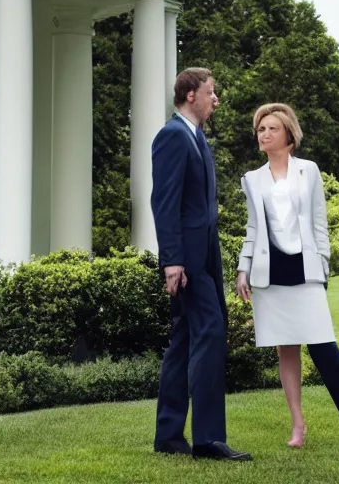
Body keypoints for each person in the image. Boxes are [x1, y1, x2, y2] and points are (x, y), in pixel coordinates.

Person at [235, 103, 339, 455]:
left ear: (288, 134)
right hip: (269, 274)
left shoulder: (308, 171)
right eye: (260, 129)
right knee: (286, 348)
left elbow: (318, 223)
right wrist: (242, 268)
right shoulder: (252, 179)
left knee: (324, 348)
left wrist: (323, 267)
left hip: (305, 269)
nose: (264, 134)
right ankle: (297, 423)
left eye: (271, 128)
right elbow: (253, 229)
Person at [151, 68, 251, 461]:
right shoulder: (172, 136)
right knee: (209, 331)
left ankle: (169, 436)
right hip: (188, 261)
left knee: (185, 340)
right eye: (211, 92)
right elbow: (165, 202)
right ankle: (208, 439)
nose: (216, 99)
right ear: (190, 95)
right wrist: (172, 260)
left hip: (204, 257)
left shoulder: (197, 138)